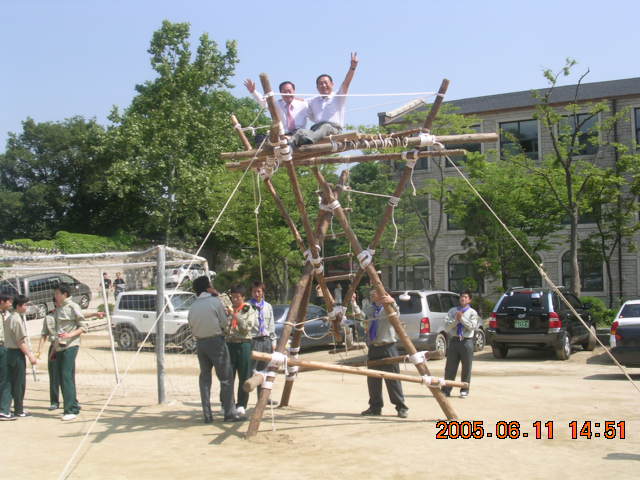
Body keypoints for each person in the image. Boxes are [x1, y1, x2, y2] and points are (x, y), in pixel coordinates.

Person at [188, 276, 241, 423]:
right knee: (226, 378)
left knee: (205, 378)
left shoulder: (193, 306)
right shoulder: (215, 302)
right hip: (216, 341)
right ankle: (229, 413)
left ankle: (207, 414)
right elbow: (224, 323)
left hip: (200, 343)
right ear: (208, 287)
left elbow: (191, 325)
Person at [354, 288, 409, 418]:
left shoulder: (387, 308)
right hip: (374, 347)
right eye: (371, 294)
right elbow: (361, 317)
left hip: (388, 347)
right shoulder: (370, 308)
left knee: (393, 379)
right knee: (373, 379)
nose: (372, 295)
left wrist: (392, 301)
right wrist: (354, 303)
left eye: (375, 293)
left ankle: (401, 407)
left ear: (382, 295)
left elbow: (396, 314)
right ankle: (375, 407)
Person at [52, 284, 104, 421]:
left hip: (70, 345)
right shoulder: (60, 308)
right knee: (65, 376)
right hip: (60, 346)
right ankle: (73, 404)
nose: (55, 296)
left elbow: (83, 326)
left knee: (65, 376)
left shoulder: (72, 306)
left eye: (57, 293)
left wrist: (69, 335)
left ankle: (70, 410)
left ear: (64, 294)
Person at [292, 52, 359, 146]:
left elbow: (346, 83)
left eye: (326, 83)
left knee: (326, 127)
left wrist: (353, 67)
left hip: (333, 129)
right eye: (320, 84)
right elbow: (299, 100)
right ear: (317, 87)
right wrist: (286, 95)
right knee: (300, 132)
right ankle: (288, 147)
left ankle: (309, 141)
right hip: (316, 130)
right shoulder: (313, 101)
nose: (323, 85)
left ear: (332, 84)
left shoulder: (338, 96)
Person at [225, 284, 257, 416]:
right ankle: (228, 404)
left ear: (243, 297)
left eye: (237, 297)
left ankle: (242, 404)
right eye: (232, 297)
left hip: (243, 344)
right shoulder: (228, 309)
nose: (234, 300)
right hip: (229, 344)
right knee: (228, 376)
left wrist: (234, 315)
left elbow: (246, 328)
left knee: (244, 376)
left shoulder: (248, 309)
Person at [3, 295, 38, 417]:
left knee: (10, 381)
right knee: (19, 382)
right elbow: (20, 341)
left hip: (9, 352)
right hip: (16, 353)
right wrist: (30, 356)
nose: (26, 307)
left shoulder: (9, 318)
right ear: (18, 306)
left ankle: (10, 407)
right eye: (25, 305)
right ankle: (19, 409)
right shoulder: (16, 319)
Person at [442, 290, 480, 398]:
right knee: (450, 367)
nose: (463, 298)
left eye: (465, 297)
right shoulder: (453, 311)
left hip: (466, 341)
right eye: (461, 297)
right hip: (454, 340)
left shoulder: (472, 312)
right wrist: (456, 320)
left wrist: (462, 319)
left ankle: (464, 390)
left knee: (466, 367)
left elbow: (472, 326)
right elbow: (447, 327)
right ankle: (446, 389)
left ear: (469, 300)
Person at [244, 79, 309, 135]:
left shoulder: (303, 104)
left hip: (300, 134)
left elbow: (313, 104)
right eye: (284, 92)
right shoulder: (277, 104)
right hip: (283, 134)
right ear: (280, 93)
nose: (287, 94)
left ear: (294, 91)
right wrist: (253, 92)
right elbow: (263, 102)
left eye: (289, 91)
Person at [248, 281, 276, 403]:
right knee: (251, 370)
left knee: (265, 370)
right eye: (254, 291)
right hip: (254, 341)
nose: (256, 294)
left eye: (259, 291)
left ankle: (264, 398)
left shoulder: (268, 306)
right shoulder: (247, 306)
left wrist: (273, 341)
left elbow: (271, 325)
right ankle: (243, 400)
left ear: (263, 292)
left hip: (266, 341)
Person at [36, 312, 61, 411]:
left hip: (65, 346)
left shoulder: (67, 311)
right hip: (54, 347)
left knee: (67, 376)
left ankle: (72, 401)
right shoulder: (49, 317)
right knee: (54, 376)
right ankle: (54, 402)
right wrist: (39, 351)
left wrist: (94, 314)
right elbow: (44, 335)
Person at [0, 294, 16, 420]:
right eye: (8, 302)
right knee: (6, 379)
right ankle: (4, 410)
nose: (10, 304)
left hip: (5, 347)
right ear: (2, 302)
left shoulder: (6, 314)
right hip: (2, 347)